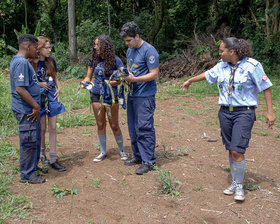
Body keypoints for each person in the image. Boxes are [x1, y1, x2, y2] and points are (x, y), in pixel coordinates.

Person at [181, 37, 275, 201]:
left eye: (221, 51)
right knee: (231, 149)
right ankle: (235, 181)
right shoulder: (221, 65)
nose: (220, 53)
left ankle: (239, 186)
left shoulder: (252, 66)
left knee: (237, 150)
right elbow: (207, 74)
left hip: (244, 113)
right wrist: (190, 80)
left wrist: (270, 112)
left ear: (232, 52)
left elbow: (266, 87)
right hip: (225, 113)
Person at [120, 22, 159, 175]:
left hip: (145, 95)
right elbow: (130, 69)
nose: (127, 43)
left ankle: (148, 161)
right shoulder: (130, 50)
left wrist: (134, 80)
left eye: (129, 40)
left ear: (137, 36)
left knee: (144, 127)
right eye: (125, 41)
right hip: (132, 94)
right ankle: (138, 156)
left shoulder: (149, 51)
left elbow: (154, 74)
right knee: (133, 127)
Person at [81, 34, 128, 162]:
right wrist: (85, 82)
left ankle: (122, 151)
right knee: (100, 124)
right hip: (96, 95)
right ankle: (102, 152)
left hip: (110, 96)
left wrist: (109, 83)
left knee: (114, 124)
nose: (95, 47)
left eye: (98, 44)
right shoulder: (93, 61)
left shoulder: (115, 60)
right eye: (94, 44)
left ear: (105, 46)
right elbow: (88, 77)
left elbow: (121, 80)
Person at [9, 34, 46, 184]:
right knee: (28, 140)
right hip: (27, 110)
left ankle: (33, 167)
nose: (36, 51)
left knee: (34, 138)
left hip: (30, 109)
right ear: (27, 46)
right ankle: (27, 174)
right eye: (35, 48)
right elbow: (20, 89)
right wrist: (35, 106)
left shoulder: (24, 62)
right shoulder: (22, 63)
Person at [36, 36, 66, 171]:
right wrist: (39, 84)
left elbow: (55, 76)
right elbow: (29, 82)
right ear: (39, 48)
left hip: (52, 95)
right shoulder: (33, 62)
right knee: (42, 128)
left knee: (53, 127)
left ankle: (53, 158)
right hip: (39, 97)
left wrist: (58, 88)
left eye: (49, 47)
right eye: (46, 48)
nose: (49, 50)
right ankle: (42, 156)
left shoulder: (51, 61)